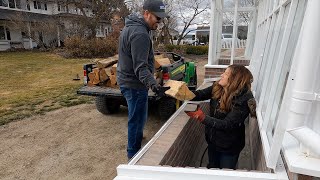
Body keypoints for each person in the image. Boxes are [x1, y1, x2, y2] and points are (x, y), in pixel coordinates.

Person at [117, 0, 169, 160]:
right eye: (157, 18)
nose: (159, 23)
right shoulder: (140, 34)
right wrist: (154, 85)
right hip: (134, 84)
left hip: (127, 80)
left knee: (140, 116)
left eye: (161, 19)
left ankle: (136, 140)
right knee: (137, 119)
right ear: (146, 13)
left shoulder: (131, 27)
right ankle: (133, 154)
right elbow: (140, 68)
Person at [185, 65, 256, 169]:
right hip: (213, 141)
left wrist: (202, 117)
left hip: (229, 146)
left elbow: (227, 124)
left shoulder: (244, 98)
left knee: (225, 173)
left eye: (226, 74)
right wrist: (182, 93)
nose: (221, 75)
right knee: (212, 166)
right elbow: (200, 94)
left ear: (235, 79)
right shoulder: (218, 87)